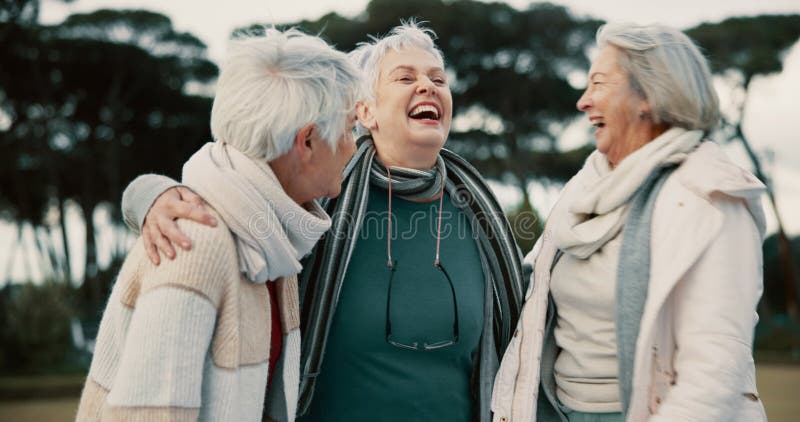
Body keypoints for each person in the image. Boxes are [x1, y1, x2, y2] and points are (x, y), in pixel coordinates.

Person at [117, 22, 526, 421]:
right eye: (405, 77)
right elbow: (232, 184)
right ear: (364, 112)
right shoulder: (319, 197)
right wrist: (149, 195)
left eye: (438, 78)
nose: (428, 86)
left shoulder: (482, 217)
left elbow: (534, 305)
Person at [75, 27, 362, 422]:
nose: (353, 145)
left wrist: (144, 192)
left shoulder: (271, 235)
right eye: (348, 130)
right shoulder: (197, 241)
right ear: (307, 141)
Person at [491, 23, 768, 422]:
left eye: (599, 84)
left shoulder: (712, 197)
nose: (583, 102)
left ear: (649, 98)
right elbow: (527, 292)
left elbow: (714, 370)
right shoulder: (583, 188)